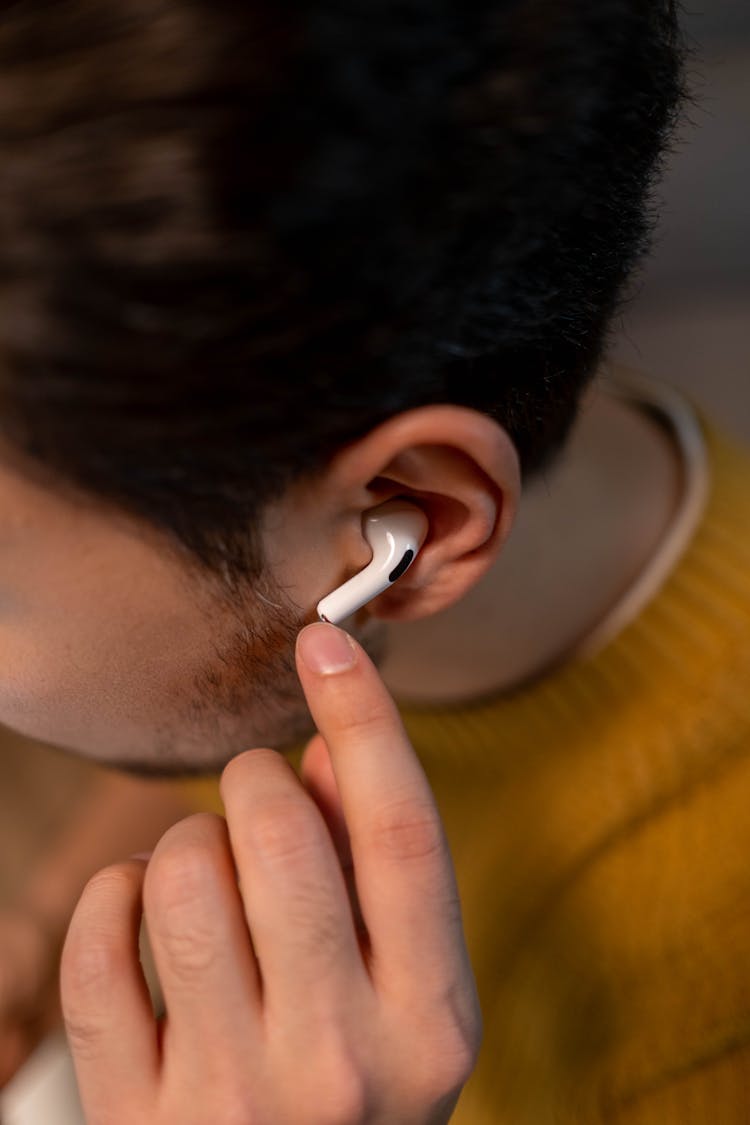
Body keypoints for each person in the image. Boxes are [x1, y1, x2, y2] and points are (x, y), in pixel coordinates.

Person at [1, 0, 749, 1120]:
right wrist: (49, 916)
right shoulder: (405, 380)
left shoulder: (705, 1025)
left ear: (406, 526)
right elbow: (210, 658)